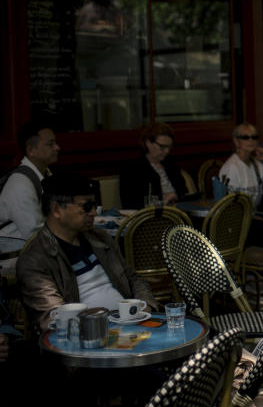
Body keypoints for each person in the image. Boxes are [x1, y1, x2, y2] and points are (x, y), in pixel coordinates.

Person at [16, 174, 158, 334]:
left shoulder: (100, 238)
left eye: (94, 205)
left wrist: (145, 306)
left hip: (130, 325)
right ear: (56, 209)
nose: (93, 213)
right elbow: (53, 318)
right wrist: (97, 319)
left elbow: (133, 278)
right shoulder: (35, 258)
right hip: (88, 338)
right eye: (86, 206)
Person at [0, 122, 59, 257]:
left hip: (36, 249)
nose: (57, 148)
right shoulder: (20, 183)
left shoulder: (46, 175)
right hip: (13, 257)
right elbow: (35, 234)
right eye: (50, 144)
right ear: (31, 150)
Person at [119, 122, 188, 208]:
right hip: (152, 216)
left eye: (169, 147)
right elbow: (131, 203)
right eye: (162, 147)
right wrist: (162, 202)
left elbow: (185, 193)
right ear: (148, 143)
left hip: (179, 212)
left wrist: (176, 196)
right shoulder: (132, 169)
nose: (167, 151)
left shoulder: (171, 165)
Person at [219, 123, 263, 210]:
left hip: (253, 215)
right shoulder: (231, 168)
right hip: (238, 219)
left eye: (254, 137)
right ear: (236, 141)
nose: (251, 140)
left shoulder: (255, 163)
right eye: (245, 137)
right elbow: (231, 206)